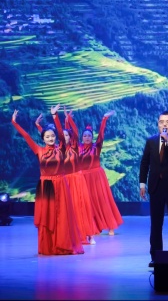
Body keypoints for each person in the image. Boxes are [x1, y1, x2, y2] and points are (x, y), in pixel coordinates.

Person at [11, 104, 84, 255]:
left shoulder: (61, 149)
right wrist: (14, 123)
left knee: (61, 216)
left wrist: (55, 116)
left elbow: (62, 134)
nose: (51, 138)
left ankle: (62, 244)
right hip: (46, 186)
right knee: (48, 217)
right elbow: (26, 136)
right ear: (43, 138)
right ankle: (48, 246)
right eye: (47, 137)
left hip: (60, 184)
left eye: (52, 136)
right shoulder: (39, 150)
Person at [139, 110, 168, 267]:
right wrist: (142, 183)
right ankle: (156, 257)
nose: (164, 124)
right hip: (156, 188)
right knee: (156, 225)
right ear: (158, 124)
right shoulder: (151, 141)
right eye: (161, 122)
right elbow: (145, 163)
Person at [74, 111, 123, 236]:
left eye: (89, 136)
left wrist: (104, 119)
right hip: (83, 178)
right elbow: (71, 135)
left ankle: (111, 226)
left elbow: (101, 134)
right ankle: (93, 227)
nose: (87, 137)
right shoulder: (78, 148)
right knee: (88, 203)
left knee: (102, 201)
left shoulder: (96, 147)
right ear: (82, 137)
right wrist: (68, 119)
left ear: (92, 137)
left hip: (96, 178)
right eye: (85, 136)